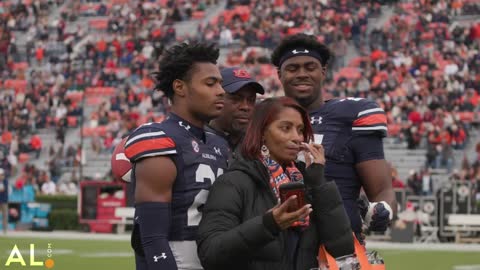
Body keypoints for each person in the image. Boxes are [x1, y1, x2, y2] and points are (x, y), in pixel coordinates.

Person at [197, 97, 354, 270]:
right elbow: (210, 254)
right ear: (262, 133)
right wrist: (269, 224)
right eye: (285, 128)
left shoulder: (306, 181)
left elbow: (343, 248)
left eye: (300, 130)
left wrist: (319, 184)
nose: (297, 137)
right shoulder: (234, 182)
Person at [271, 33, 396, 238]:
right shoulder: (264, 119)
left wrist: (383, 210)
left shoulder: (352, 114)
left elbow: (382, 190)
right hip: (276, 245)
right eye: (292, 68)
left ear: (323, 71)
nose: (301, 74)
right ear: (279, 74)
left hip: (336, 246)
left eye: (310, 67)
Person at [124, 42, 229, 270]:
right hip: (178, 258)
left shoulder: (219, 143)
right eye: (210, 83)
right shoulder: (159, 138)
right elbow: (152, 238)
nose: (221, 91)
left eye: (220, 83)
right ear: (180, 87)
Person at [206, 67, 265, 157]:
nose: (245, 107)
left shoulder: (259, 146)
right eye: (236, 99)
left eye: (251, 100)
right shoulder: (196, 141)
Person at [0, 168, 8, 234]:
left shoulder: (5, 181)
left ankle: (5, 230)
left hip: (4, 201)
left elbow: (2, 189)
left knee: (5, 215)